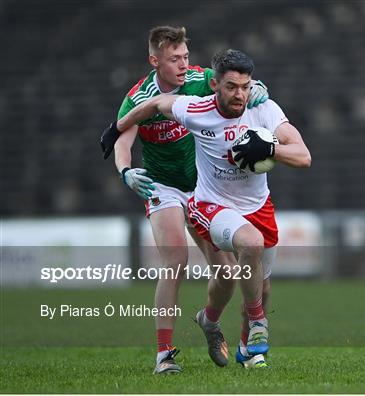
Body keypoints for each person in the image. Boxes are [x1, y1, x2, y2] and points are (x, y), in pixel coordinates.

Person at [111, 48, 311, 368]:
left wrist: (270, 147)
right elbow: (154, 104)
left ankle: (241, 343)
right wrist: (117, 128)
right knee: (249, 244)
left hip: (257, 206)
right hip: (210, 204)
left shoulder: (264, 109)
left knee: (256, 282)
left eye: (245, 86)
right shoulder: (196, 109)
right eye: (231, 86)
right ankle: (254, 324)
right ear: (215, 85)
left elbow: (303, 156)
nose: (240, 94)